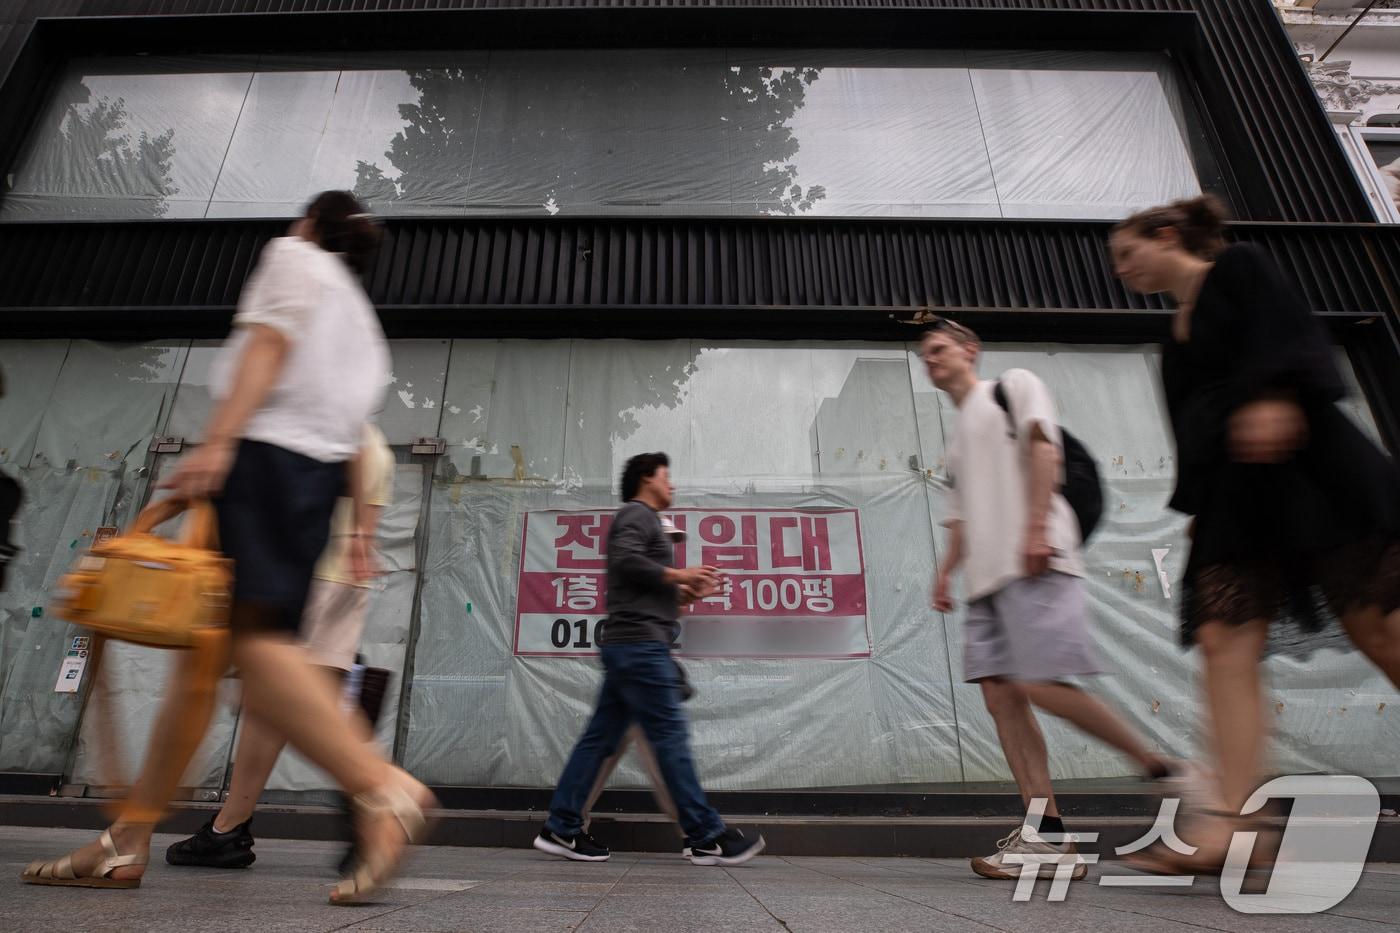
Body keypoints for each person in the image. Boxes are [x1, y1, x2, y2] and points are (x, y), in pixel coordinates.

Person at [22, 191, 434, 905]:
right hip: (307, 490)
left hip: (263, 463)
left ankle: (380, 787)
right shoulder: (361, 323)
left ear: (311, 225)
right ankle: (129, 837)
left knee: (249, 648)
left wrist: (217, 444)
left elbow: (267, 347)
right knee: (207, 666)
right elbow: (347, 443)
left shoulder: (292, 257)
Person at [1109, 195, 1400, 873]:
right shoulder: (1169, 339)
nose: (1120, 269)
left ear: (1168, 233)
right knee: (1221, 641)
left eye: (1127, 253)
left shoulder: (1240, 267)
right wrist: (1195, 510)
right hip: (1235, 503)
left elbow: (1289, 333)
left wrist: (1273, 394)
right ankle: (1238, 826)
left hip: (1313, 474)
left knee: (1379, 629)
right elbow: (1193, 430)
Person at [920, 321, 1182, 881]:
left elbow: (1045, 450)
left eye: (939, 349)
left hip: (1036, 559)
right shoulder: (955, 442)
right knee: (1002, 698)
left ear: (970, 350)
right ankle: (1048, 836)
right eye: (925, 355)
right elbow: (961, 517)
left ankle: (1160, 767)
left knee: (1040, 682)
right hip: (987, 583)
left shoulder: (1012, 385)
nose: (930, 360)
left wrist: (1038, 526)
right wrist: (946, 574)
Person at [164, 422, 395, 872]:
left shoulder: (315, 430)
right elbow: (364, 515)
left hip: (296, 576)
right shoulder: (372, 441)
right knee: (280, 705)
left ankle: (379, 793)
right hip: (342, 581)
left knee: (275, 697)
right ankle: (229, 826)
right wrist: (360, 541)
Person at [532, 452, 765, 866]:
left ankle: (562, 826)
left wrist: (692, 591)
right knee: (669, 739)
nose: (671, 484)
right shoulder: (636, 515)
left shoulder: (646, 523)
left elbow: (654, 593)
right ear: (645, 480)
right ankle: (707, 834)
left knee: (599, 741)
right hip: (639, 647)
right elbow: (624, 559)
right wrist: (680, 575)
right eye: (665, 476)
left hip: (632, 644)